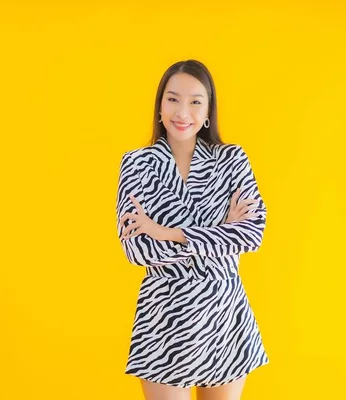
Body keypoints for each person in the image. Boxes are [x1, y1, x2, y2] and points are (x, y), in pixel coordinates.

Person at [116, 59, 269, 400]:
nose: (182, 111)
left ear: (208, 111)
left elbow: (252, 234)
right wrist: (221, 233)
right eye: (172, 99)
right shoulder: (137, 164)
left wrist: (166, 231)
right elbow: (137, 249)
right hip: (164, 316)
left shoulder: (232, 160)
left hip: (224, 314)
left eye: (195, 101)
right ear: (159, 106)